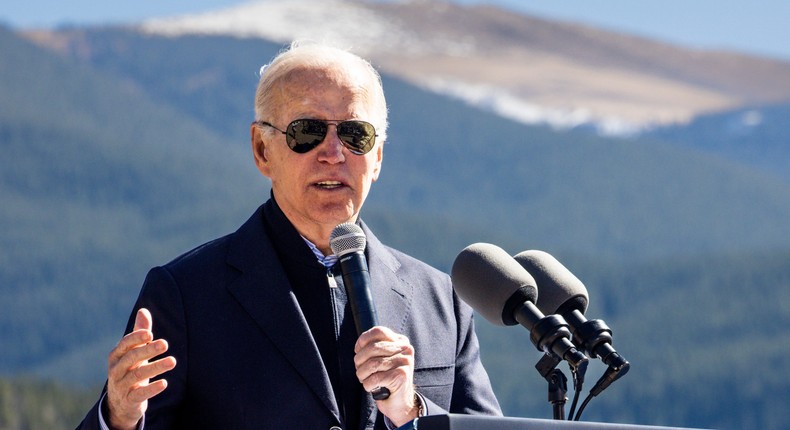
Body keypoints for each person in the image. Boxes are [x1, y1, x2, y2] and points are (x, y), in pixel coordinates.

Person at [76, 41, 501, 430]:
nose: (333, 153)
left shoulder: (442, 301)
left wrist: (413, 411)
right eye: (307, 132)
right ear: (262, 150)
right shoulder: (185, 295)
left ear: (377, 158)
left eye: (355, 135)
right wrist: (118, 418)